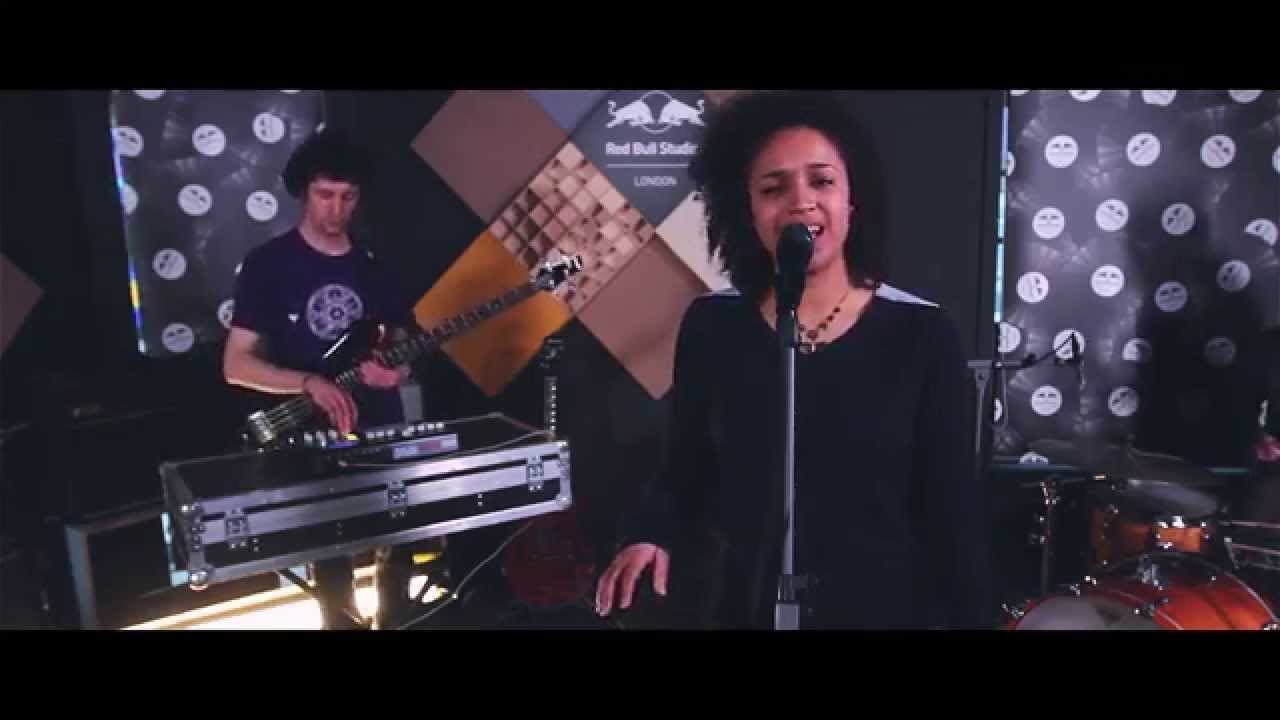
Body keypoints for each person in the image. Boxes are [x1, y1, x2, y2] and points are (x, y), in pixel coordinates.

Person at [593, 91, 996, 629]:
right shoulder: (714, 325)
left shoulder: (922, 333)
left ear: (852, 202)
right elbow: (686, 469)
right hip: (748, 611)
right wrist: (650, 532)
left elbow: (952, 517)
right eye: (773, 187)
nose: (801, 201)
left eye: (822, 181)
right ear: (747, 209)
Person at [223, 128, 419, 630]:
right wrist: (310, 383)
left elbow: (401, 347)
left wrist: (395, 371)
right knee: (331, 560)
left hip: (381, 428)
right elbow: (237, 364)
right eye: (325, 194)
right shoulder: (268, 265)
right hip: (309, 432)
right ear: (303, 192)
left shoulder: (377, 266)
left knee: (398, 548)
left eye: (348, 197)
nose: (336, 209)